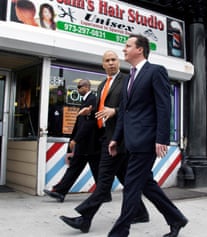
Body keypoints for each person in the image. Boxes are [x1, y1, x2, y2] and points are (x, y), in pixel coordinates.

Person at [59, 51, 149, 233]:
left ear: (119, 62)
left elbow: (132, 106)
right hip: (106, 137)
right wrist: (89, 113)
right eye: (107, 61)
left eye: (113, 59)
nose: (110, 63)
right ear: (102, 64)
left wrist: (115, 111)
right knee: (126, 178)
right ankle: (140, 213)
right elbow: (100, 111)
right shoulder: (101, 85)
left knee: (104, 180)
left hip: (118, 138)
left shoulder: (126, 81)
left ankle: (85, 218)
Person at [108, 34, 188, 237]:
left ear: (140, 49)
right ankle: (176, 218)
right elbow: (124, 112)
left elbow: (164, 106)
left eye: (127, 46)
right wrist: (116, 138)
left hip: (145, 140)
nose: (123, 49)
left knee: (131, 187)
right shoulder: (128, 78)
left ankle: (119, 232)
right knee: (146, 184)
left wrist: (162, 138)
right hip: (129, 141)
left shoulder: (155, 71)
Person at [44, 79, 101, 202]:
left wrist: (76, 139)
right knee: (78, 168)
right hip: (86, 144)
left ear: (86, 87)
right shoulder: (86, 100)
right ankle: (60, 191)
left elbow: (87, 123)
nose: (78, 89)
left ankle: (61, 191)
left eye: (80, 87)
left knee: (87, 169)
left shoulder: (91, 100)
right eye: (77, 87)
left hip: (88, 143)